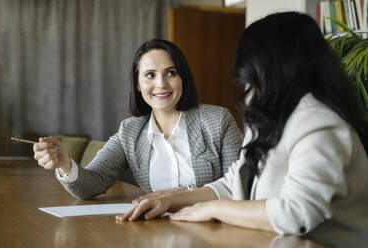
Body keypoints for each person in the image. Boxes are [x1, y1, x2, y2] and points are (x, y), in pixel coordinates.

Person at [118, 12, 368, 248]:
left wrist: (213, 209)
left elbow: (296, 214)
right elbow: (232, 183)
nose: (244, 83)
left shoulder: (320, 124)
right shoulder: (271, 118)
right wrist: (169, 200)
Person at [33, 39, 243, 199]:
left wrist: (182, 195)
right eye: (150, 75)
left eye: (171, 73)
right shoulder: (130, 132)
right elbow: (92, 183)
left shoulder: (218, 120)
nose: (161, 84)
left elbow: (239, 188)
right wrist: (64, 164)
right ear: (138, 84)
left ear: (183, 79)